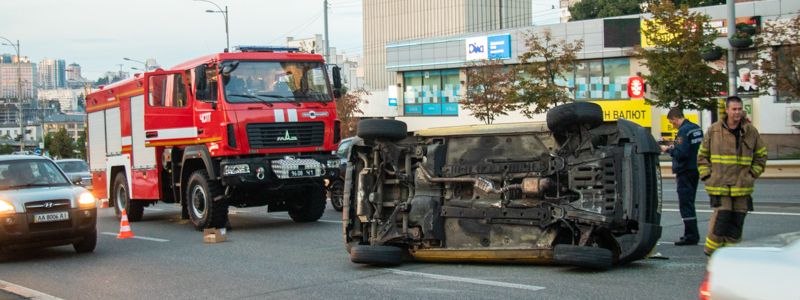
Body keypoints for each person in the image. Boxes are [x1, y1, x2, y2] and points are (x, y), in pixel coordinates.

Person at [697, 96, 767, 256]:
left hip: (742, 186)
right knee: (722, 218)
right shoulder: (714, 130)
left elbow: (761, 155)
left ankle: (730, 256)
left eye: (739, 109)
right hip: (720, 185)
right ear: (727, 110)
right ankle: (711, 253)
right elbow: (702, 156)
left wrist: (752, 174)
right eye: (734, 109)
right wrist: (708, 177)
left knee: (737, 222)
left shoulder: (751, 131)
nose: (737, 112)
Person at [661, 107, 703, 246]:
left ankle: (691, 235)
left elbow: (681, 153)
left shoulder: (683, 131)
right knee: (690, 201)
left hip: (685, 170)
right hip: (695, 169)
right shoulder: (696, 128)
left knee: (685, 203)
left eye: (672, 122)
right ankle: (692, 233)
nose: (673, 125)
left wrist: (668, 149)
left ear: (675, 119)